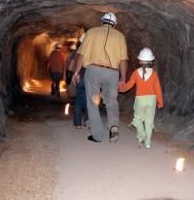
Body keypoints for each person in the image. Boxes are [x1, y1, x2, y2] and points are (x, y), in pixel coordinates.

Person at [72, 12, 128, 143]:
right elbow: (123, 59)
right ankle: (113, 126)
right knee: (111, 100)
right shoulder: (120, 36)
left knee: (92, 103)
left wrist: (76, 73)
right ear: (114, 24)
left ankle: (97, 135)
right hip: (113, 72)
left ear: (102, 21)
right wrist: (123, 78)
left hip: (93, 70)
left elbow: (81, 54)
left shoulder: (91, 32)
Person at [119, 48, 163, 149]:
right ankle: (148, 143)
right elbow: (158, 89)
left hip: (141, 100)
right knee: (149, 121)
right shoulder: (154, 73)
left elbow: (129, 85)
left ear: (139, 61)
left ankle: (142, 134)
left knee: (138, 119)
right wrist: (160, 102)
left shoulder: (136, 73)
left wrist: (121, 88)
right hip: (152, 99)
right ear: (151, 61)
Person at [70, 35, 88, 129]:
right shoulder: (93, 50)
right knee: (88, 99)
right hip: (90, 76)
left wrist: (74, 74)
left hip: (79, 76)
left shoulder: (77, 51)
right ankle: (86, 120)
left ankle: (77, 123)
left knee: (78, 98)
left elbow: (71, 65)